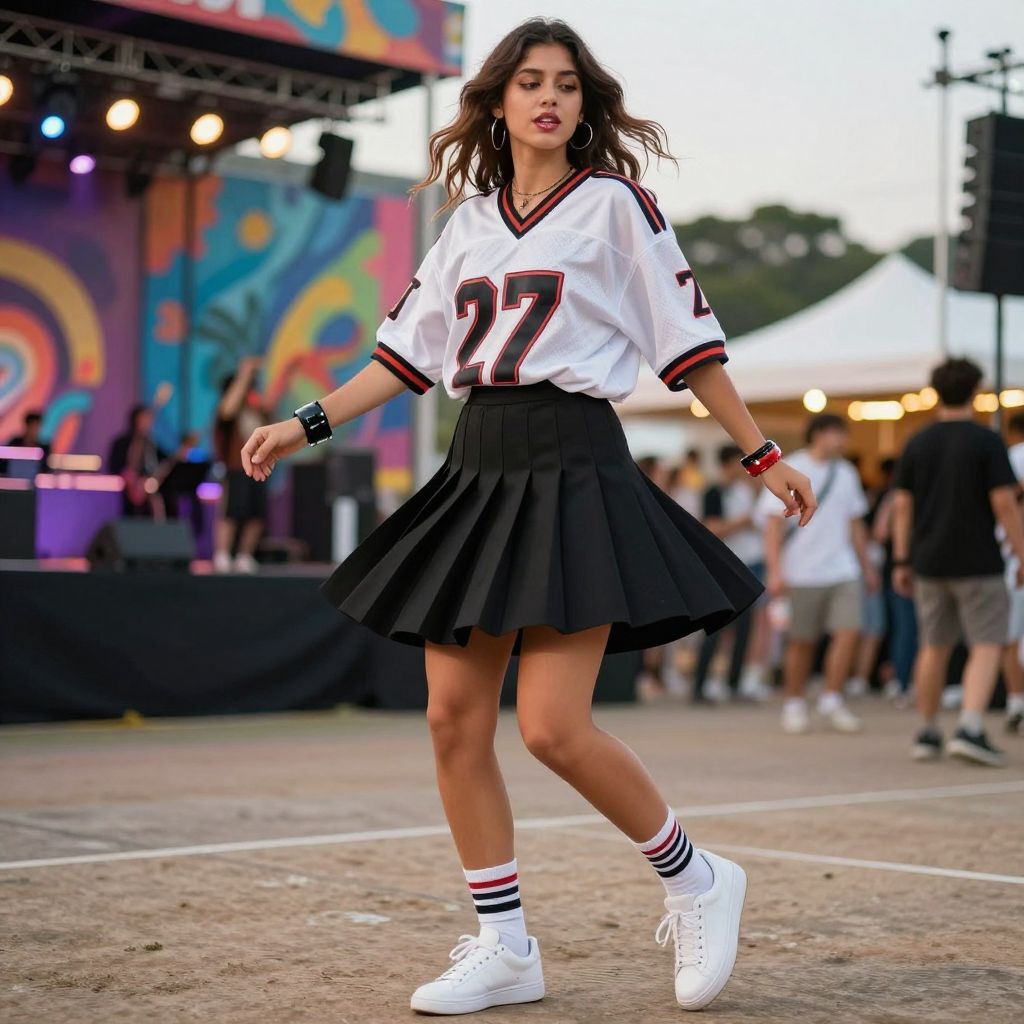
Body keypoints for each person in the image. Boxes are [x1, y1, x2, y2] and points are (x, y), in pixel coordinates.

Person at [239, 18, 815, 1016]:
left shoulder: (618, 207)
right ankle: (504, 947)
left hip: (573, 461)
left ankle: (696, 877)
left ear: (582, 107)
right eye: (528, 83)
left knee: (552, 727)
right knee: (451, 717)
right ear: (498, 104)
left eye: (565, 85)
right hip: (478, 459)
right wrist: (307, 421)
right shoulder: (464, 224)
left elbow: (689, 347)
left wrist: (759, 452)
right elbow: (405, 357)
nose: (548, 98)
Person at [892, 359, 1024, 766]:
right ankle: (969, 726)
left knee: (934, 645)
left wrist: (901, 559)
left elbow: (902, 506)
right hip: (978, 558)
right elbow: (1004, 503)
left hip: (928, 559)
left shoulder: (918, 442)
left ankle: (928, 731)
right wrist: (1022, 553)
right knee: (986, 643)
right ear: (976, 391)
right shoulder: (986, 442)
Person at [758, 413, 879, 734]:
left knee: (848, 632)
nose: (840, 440)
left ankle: (832, 698)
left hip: (843, 569)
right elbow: (771, 526)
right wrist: (775, 571)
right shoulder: (791, 466)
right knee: (802, 641)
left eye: (842, 434)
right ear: (818, 434)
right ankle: (795, 702)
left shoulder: (847, 472)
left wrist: (867, 567)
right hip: (801, 570)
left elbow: (855, 525)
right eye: (834, 433)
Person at [694, 445, 771, 702]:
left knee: (745, 629)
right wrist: (743, 522)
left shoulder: (747, 491)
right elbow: (712, 528)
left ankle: (734, 683)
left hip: (749, 563)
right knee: (717, 627)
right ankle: (701, 684)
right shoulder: (714, 492)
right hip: (723, 565)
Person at [213, 356, 272, 573]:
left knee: (257, 513)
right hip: (235, 468)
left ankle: (244, 555)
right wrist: (244, 373)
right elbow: (228, 409)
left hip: (259, 466)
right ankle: (222, 553)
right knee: (231, 511)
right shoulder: (228, 411)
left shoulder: (256, 410)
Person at [998, 411, 1024, 733]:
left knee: (1010, 635)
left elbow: (1005, 507)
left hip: (1011, 558)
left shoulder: (1011, 456)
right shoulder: (1013, 457)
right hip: (1014, 557)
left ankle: (1016, 701)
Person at [1, 410, 50, 477]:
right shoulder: (14, 443)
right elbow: (3, 464)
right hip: (12, 481)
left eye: (37, 426)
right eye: (32, 426)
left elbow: (45, 469)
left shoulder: (44, 448)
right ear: (27, 425)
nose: (34, 430)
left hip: (34, 484)